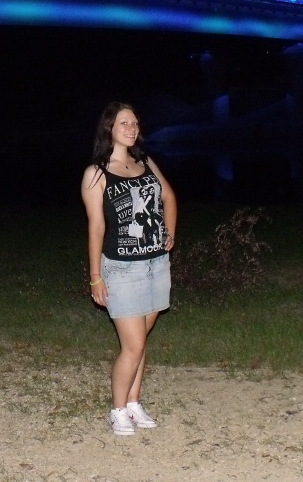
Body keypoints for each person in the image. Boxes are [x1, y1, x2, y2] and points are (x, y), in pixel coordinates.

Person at [81, 101, 177, 436]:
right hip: (122, 270)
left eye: (135, 123)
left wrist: (169, 232)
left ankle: (134, 404)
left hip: (156, 264)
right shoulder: (96, 173)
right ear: (109, 128)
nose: (131, 128)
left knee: (141, 342)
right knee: (133, 346)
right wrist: (95, 277)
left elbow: (168, 197)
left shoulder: (145, 162)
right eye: (124, 123)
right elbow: (96, 227)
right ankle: (118, 410)